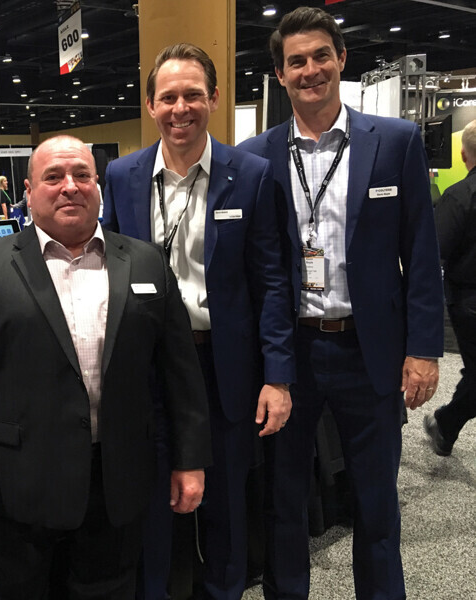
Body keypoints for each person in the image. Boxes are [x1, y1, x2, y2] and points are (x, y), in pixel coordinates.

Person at [0, 135, 213, 600]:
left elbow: (180, 374)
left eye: (82, 175)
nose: (70, 186)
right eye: (54, 176)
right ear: (28, 191)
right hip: (21, 483)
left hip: (117, 480)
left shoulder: (145, 261)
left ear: (97, 186)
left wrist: (190, 461)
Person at [237, 6, 444, 599]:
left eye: (321, 56)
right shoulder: (255, 157)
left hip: (369, 351)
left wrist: (424, 350)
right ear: (280, 74)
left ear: (342, 59)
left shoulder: (395, 142)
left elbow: (420, 254)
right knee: (284, 503)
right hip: (289, 356)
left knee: (376, 506)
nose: (311, 70)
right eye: (296, 61)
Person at [103, 44, 295, 600]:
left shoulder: (251, 175)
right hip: (149, 367)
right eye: (168, 97)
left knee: (226, 506)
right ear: (150, 105)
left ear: (213, 98)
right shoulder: (121, 175)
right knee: (152, 506)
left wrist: (278, 377)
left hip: (222, 365)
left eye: (192, 95)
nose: (180, 108)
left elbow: (272, 282)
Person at [426, 119, 476, 456]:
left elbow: (435, 250)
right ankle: (446, 423)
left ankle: (446, 422)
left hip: (467, 301)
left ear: (462, 154)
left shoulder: (459, 196)